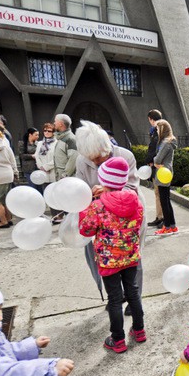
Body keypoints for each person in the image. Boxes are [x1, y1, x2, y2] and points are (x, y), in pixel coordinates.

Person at [75, 120, 147, 318]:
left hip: (128, 217)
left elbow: (132, 187)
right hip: (99, 220)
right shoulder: (81, 161)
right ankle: (115, 297)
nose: (96, 162)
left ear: (107, 147)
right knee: (102, 259)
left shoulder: (126, 156)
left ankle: (134, 299)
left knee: (133, 258)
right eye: (91, 159)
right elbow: (79, 191)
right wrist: (88, 195)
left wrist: (106, 192)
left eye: (99, 157)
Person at [79, 156, 146, 353]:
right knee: (133, 293)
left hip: (109, 261)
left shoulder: (98, 206)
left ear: (103, 181)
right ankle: (139, 330)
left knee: (115, 299)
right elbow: (137, 223)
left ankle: (117, 339)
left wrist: (86, 207)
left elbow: (86, 230)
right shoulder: (136, 202)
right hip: (131, 256)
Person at [153, 118, 178, 235]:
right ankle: (172, 226)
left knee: (164, 201)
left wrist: (155, 161)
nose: (156, 131)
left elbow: (157, 159)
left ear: (162, 129)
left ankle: (167, 227)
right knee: (166, 200)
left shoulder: (165, 143)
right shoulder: (170, 142)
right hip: (166, 172)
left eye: (157, 129)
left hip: (163, 173)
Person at [144, 109, 164, 227]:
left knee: (160, 193)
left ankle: (162, 218)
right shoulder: (157, 131)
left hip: (159, 167)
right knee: (158, 193)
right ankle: (159, 216)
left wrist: (150, 161)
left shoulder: (158, 131)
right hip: (157, 165)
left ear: (151, 119)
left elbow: (154, 149)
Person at [54, 114, 78, 180]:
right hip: (62, 179)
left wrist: (64, 175)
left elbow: (73, 159)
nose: (54, 123)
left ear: (61, 124)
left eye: (55, 121)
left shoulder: (70, 139)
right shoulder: (61, 138)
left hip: (67, 180)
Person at [18, 127, 41, 192]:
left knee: (39, 187)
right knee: (33, 187)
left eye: (38, 135)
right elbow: (22, 156)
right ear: (30, 135)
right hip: (28, 169)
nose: (37, 136)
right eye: (36, 135)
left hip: (37, 168)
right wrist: (32, 156)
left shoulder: (37, 143)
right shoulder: (22, 143)